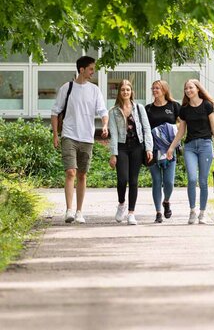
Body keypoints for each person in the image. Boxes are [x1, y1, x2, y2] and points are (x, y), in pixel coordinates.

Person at [51, 56, 108, 224]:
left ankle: (79, 211)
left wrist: (104, 125)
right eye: (91, 69)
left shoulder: (94, 90)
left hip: (87, 137)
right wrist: (55, 134)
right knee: (71, 172)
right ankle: (69, 209)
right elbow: (55, 112)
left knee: (82, 175)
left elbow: (102, 111)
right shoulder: (67, 88)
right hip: (69, 135)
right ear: (81, 69)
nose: (93, 72)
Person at [167, 79, 214, 225]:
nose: (188, 90)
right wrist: (172, 147)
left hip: (206, 145)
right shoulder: (184, 110)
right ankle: (192, 211)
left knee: (203, 181)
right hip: (190, 147)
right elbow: (181, 131)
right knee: (192, 179)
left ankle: (202, 213)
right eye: (186, 88)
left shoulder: (207, 106)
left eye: (191, 87)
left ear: (198, 89)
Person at [109, 79, 153, 225]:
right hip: (122, 147)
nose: (125, 92)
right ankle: (121, 204)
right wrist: (113, 154)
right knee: (122, 179)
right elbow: (113, 134)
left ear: (131, 92)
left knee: (133, 180)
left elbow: (146, 129)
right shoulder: (114, 112)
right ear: (119, 93)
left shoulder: (139, 108)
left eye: (128, 89)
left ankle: (131, 213)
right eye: (123, 90)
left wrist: (148, 148)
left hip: (137, 147)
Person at [145, 80, 181, 223]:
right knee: (156, 180)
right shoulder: (148, 109)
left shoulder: (174, 106)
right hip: (153, 149)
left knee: (169, 182)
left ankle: (166, 201)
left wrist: (172, 130)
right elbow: (145, 129)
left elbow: (182, 124)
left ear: (164, 90)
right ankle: (158, 212)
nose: (154, 90)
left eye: (157, 88)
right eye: (153, 88)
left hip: (169, 149)